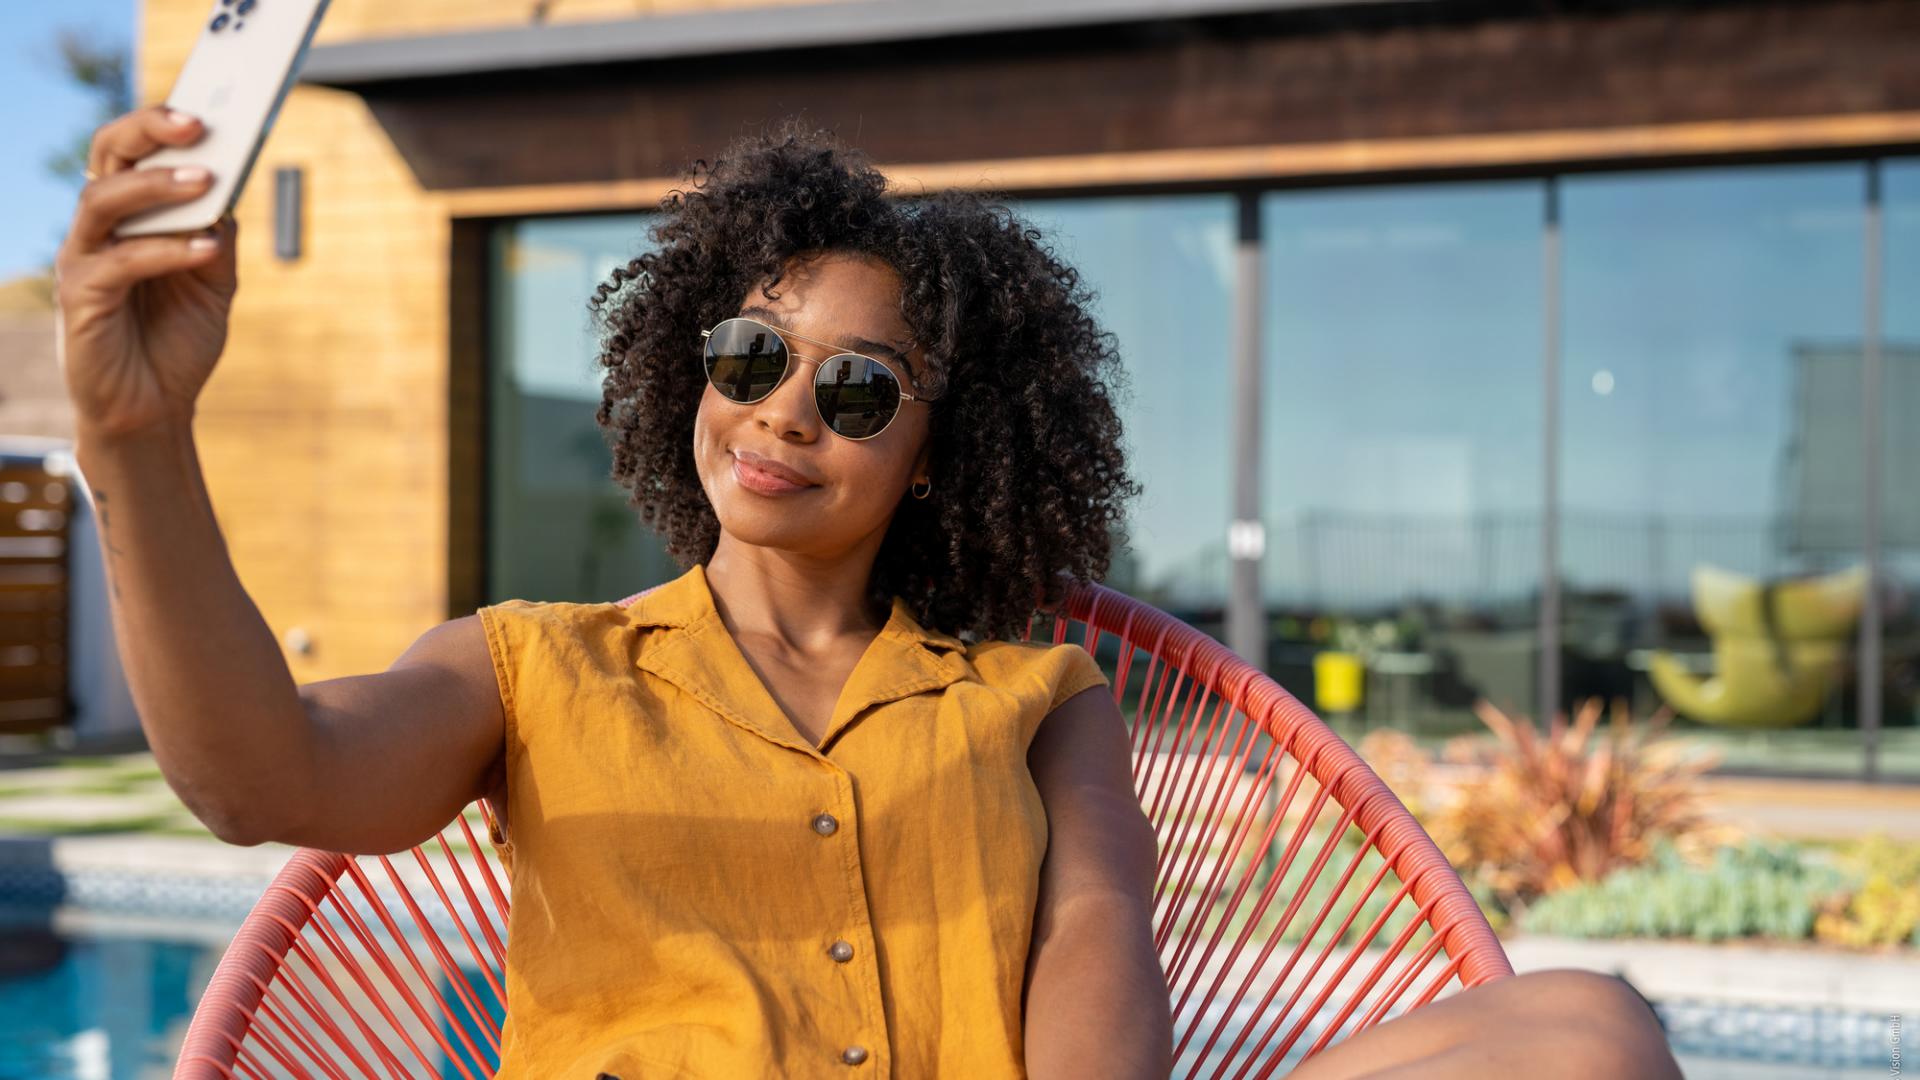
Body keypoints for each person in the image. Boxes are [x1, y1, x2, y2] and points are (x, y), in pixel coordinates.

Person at [56, 106, 1682, 1080]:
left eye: (856, 391)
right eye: (753, 355)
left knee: (1587, 1027)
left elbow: (1100, 963)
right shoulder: (532, 670)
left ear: (937, 451)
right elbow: (255, 774)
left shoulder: (1039, 702)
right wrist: (136, 437)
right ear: (688, 359)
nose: (780, 409)